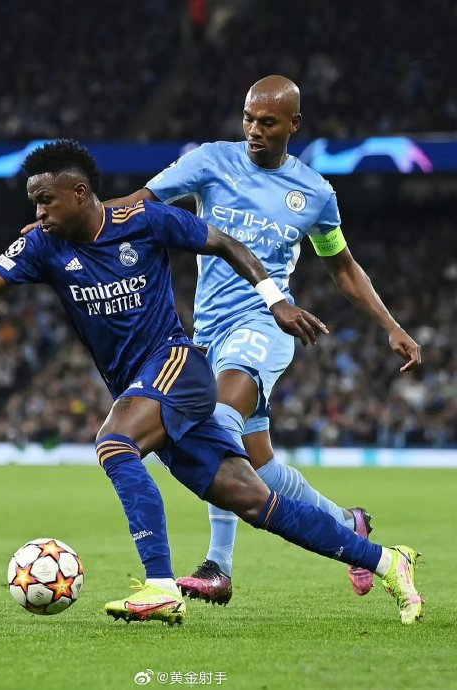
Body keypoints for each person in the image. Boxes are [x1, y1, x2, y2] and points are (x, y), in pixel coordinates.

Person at [0, 139, 423, 626]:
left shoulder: (144, 221)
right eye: (34, 203)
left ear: (79, 193)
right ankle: (386, 560)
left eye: (45, 200)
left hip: (177, 365)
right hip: (145, 387)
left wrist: (275, 300)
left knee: (115, 443)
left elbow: (225, 243)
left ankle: (160, 586)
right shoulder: (41, 246)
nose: (38, 213)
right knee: (255, 501)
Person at [95, 75, 422, 605]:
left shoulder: (314, 193)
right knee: (260, 466)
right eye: (248, 118)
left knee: (216, 420)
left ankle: (217, 566)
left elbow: (342, 266)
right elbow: (139, 204)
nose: (254, 130)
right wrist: (73, 224)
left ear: (294, 124)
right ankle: (349, 523)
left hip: (267, 324)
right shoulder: (210, 161)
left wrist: (391, 325)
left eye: (268, 122)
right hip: (207, 333)